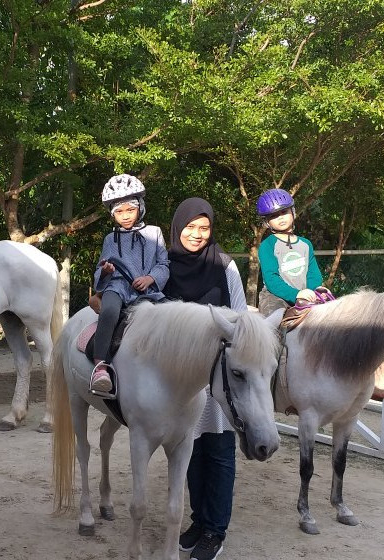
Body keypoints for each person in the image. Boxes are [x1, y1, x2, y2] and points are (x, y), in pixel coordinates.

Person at [165, 198, 246, 560]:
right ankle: (199, 521)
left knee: (219, 450)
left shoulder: (225, 267)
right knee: (190, 449)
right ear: (177, 226)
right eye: (190, 227)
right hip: (182, 378)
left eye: (204, 228)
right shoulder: (163, 266)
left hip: (217, 380)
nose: (197, 235)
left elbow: (241, 320)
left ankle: (216, 529)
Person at [90, 173, 169, 397]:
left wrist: (150, 278)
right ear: (113, 214)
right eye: (119, 212)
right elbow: (99, 269)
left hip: (146, 290)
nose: (125, 216)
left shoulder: (154, 233)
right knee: (109, 311)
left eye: (130, 210)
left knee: (166, 313)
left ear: (140, 208)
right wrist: (105, 272)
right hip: (117, 287)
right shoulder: (109, 239)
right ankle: (100, 367)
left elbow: (164, 263)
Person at [255, 188, 325, 315]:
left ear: (293, 211)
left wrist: (311, 291)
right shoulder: (267, 245)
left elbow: (313, 273)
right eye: (274, 215)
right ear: (267, 222)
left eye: (284, 212)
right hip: (275, 297)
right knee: (274, 324)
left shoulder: (306, 244)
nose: (280, 218)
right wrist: (296, 294)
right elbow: (271, 279)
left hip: (304, 294)